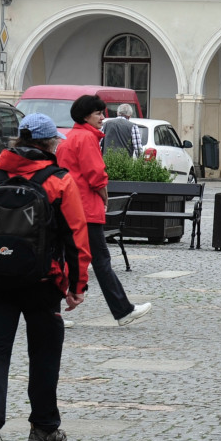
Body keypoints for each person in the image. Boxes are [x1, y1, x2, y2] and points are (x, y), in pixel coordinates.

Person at [0, 113, 92, 441]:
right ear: (50, 143)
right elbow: (76, 236)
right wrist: (77, 285)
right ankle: (43, 428)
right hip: (43, 281)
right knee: (44, 352)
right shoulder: (59, 180)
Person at [57, 95, 151, 326]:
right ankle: (123, 310)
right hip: (86, 209)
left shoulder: (69, 138)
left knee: (66, 258)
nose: (102, 117)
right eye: (98, 113)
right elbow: (96, 175)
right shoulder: (87, 138)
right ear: (85, 116)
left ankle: (52, 311)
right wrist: (104, 197)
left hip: (69, 207)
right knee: (100, 261)